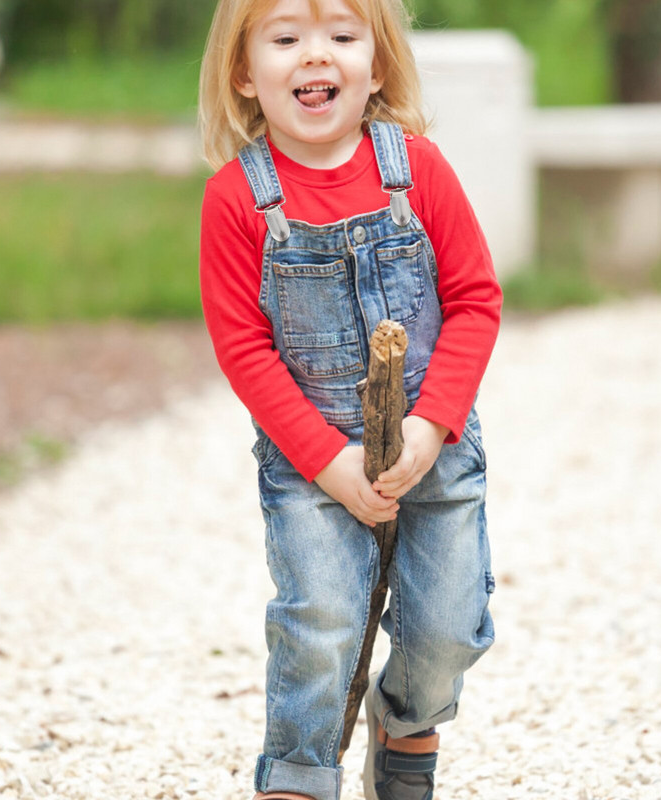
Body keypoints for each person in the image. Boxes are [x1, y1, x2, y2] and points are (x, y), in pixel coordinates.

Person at [198, 0, 502, 798]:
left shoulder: (420, 171)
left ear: (377, 63)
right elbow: (244, 349)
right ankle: (299, 771)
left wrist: (432, 426)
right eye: (286, 38)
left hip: (431, 449)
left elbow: (475, 299)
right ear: (243, 71)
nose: (315, 57)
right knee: (322, 618)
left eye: (341, 35)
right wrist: (327, 462)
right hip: (311, 463)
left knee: (444, 626)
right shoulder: (238, 200)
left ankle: (406, 731)